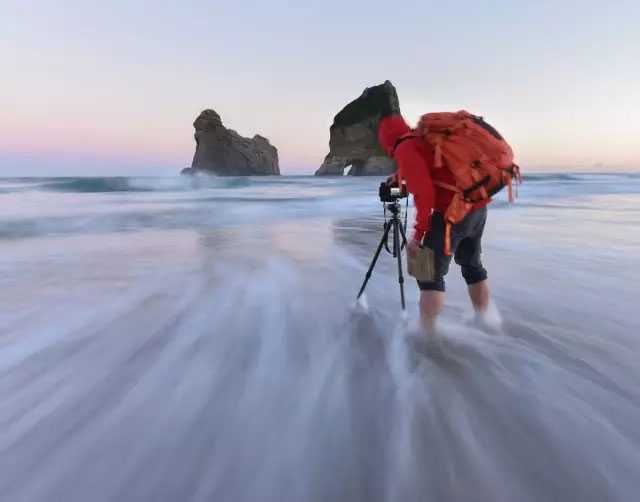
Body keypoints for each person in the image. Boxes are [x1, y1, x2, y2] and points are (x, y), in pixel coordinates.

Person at [378, 114, 492, 332]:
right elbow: (431, 170)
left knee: (426, 273)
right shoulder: (421, 139)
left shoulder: (405, 148)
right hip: (477, 205)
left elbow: (424, 194)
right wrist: (399, 177)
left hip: (452, 212)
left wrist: (417, 236)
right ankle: (484, 321)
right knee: (472, 266)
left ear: (386, 140)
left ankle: (427, 336)